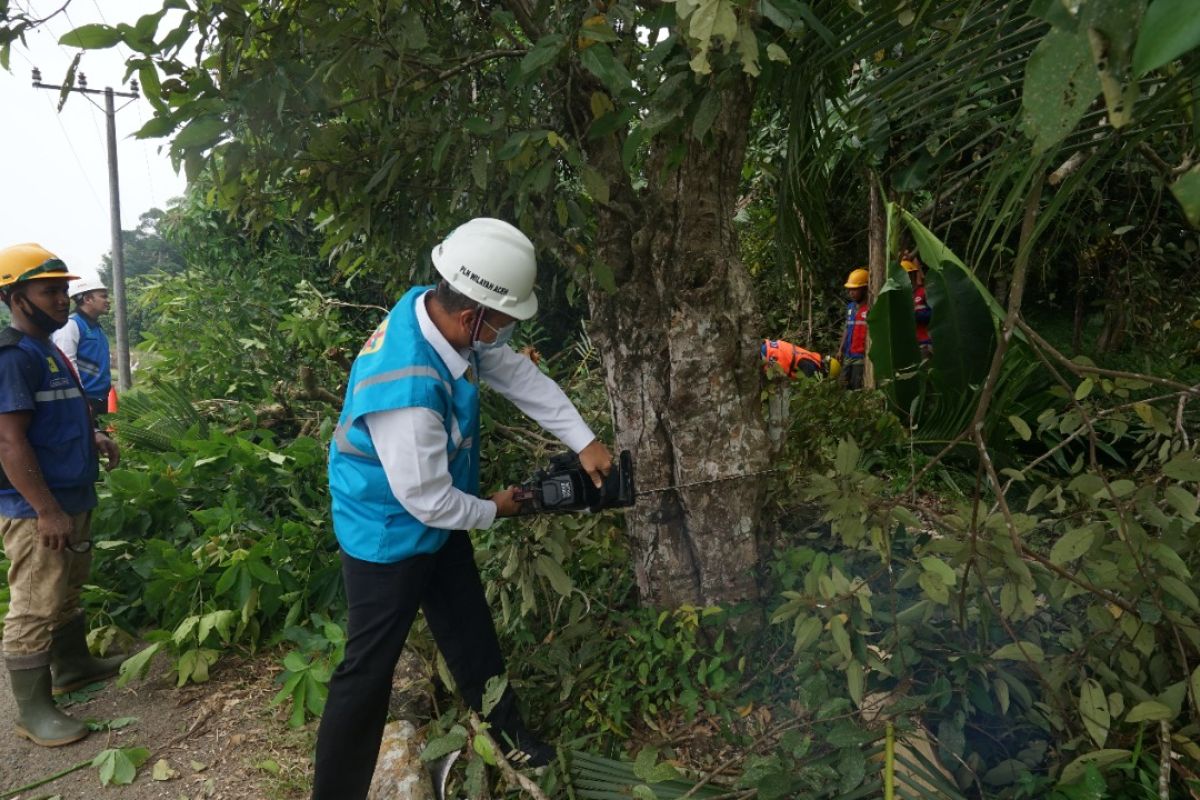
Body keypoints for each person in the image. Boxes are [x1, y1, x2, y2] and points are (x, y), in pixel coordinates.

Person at [313, 218, 613, 798]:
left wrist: (585, 439)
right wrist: (496, 508)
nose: (504, 334)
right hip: (384, 528)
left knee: (470, 629)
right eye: (502, 322)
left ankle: (511, 738)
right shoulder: (407, 387)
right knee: (367, 671)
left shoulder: (438, 316)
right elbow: (425, 499)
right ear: (473, 316)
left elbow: (516, 374)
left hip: (439, 510)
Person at [0, 243, 122, 748]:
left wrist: (92, 436)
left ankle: (72, 665)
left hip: (72, 492)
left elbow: (51, 418)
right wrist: (46, 510)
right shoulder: (13, 358)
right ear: (14, 297)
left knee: (69, 586)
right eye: (48, 291)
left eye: (64, 290)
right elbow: (9, 440)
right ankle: (32, 712)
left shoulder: (48, 349)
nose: (61, 300)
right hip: (37, 508)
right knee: (34, 604)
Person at [51, 272, 112, 419]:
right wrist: (81, 401)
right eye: (103, 296)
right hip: (83, 401)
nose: (108, 301)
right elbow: (66, 365)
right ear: (87, 299)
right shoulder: (71, 325)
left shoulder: (97, 328)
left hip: (99, 399)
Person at [840, 267, 870, 390]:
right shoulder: (850, 307)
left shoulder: (870, 308)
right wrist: (840, 349)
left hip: (860, 357)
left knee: (856, 387)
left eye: (855, 289)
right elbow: (847, 328)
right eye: (850, 290)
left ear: (864, 289)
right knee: (842, 386)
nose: (851, 293)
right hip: (848, 354)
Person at [761, 338, 840, 380]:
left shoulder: (813, 358)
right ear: (826, 372)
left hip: (770, 347)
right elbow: (804, 384)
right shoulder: (811, 368)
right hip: (770, 354)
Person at [901, 255, 933, 358]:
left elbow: (934, 316)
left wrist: (915, 314)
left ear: (913, 275)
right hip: (906, 345)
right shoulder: (899, 298)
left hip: (923, 343)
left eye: (906, 275)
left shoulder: (923, 293)